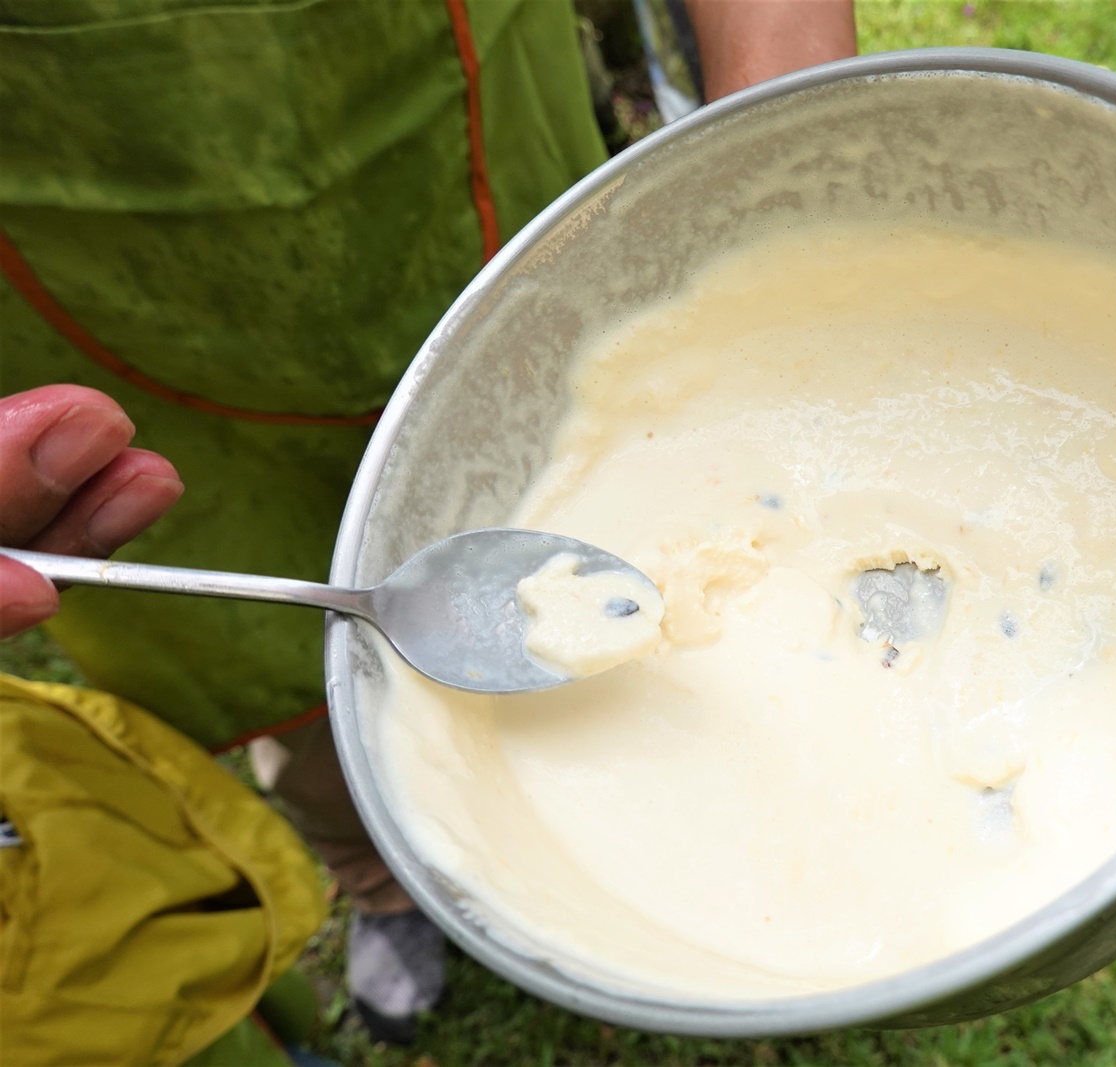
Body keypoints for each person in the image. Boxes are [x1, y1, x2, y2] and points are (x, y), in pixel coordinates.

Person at [0, 0, 856, 1048]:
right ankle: (385, 880)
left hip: (482, 178)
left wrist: (784, 144)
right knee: (319, 686)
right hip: (113, 342)